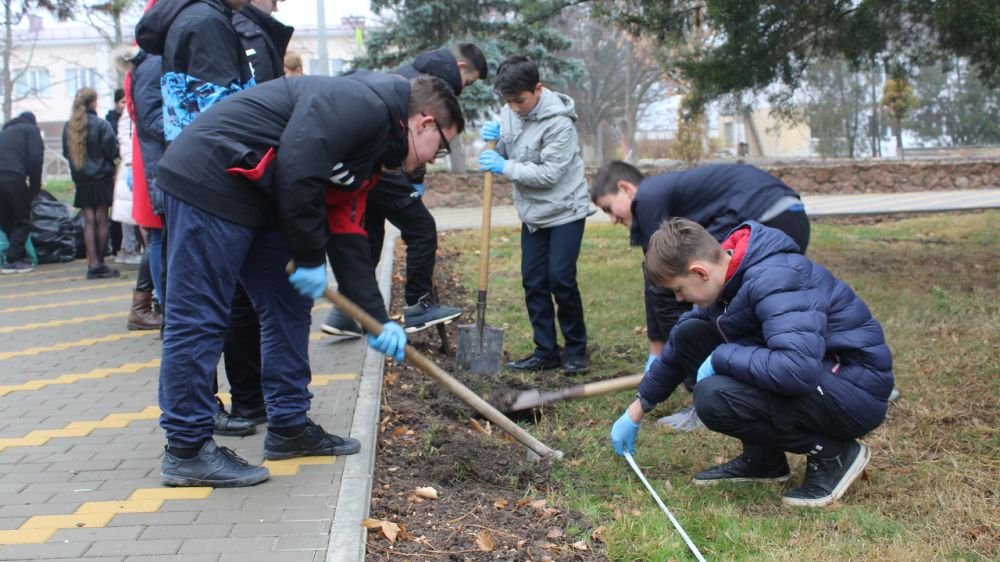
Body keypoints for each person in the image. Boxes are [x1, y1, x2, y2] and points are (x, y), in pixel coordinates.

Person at [152, 71, 463, 487]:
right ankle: (187, 448)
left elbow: (348, 233)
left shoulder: (372, 151)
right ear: (424, 122)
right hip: (212, 179)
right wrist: (310, 255)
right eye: (440, 147)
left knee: (288, 307)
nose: (431, 158)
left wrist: (376, 318)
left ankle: (288, 426)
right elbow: (299, 166)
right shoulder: (361, 103)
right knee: (200, 316)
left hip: (257, 198)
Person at [610, 217, 893, 508]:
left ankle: (833, 452)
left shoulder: (775, 279)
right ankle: (764, 460)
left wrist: (720, 358)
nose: (680, 298)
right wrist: (637, 408)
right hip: (824, 377)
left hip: (853, 391)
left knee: (713, 396)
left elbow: (797, 369)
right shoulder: (731, 278)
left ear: (700, 272)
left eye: (679, 289)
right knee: (690, 333)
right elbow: (683, 341)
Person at [591, 161, 810, 428]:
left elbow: (660, 285)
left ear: (625, 189)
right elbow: (656, 279)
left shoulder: (647, 198)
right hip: (789, 211)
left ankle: (710, 395)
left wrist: (676, 352)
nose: (612, 219)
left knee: (695, 298)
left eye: (608, 208)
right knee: (730, 304)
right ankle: (738, 385)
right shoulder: (661, 192)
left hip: (768, 213)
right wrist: (656, 349)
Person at [136, 0, 260, 436]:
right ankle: (191, 438)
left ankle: (196, 427)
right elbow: (226, 116)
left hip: (200, 180)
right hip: (210, 184)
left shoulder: (203, 20)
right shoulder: (205, 22)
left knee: (199, 311)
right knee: (199, 315)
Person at [322, 42, 488, 337]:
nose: (464, 89)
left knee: (370, 237)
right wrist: (413, 180)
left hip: (375, 164)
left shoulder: (412, 70)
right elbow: (416, 142)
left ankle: (345, 313)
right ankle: (418, 306)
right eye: (469, 81)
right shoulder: (437, 88)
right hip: (384, 165)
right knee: (422, 227)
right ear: (461, 68)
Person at [478, 55, 590, 374]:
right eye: (508, 101)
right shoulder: (507, 112)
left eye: (519, 100)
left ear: (538, 89)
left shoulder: (559, 123)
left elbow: (550, 174)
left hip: (565, 209)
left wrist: (505, 167)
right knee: (533, 280)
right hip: (533, 215)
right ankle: (546, 351)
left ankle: (577, 350)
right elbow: (504, 153)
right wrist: (493, 147)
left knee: (561, 279)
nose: (513, 107)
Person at [63, 87, 120, 279]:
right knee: (102, 220)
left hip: (82, 180)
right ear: (93, 102)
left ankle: (92, 263)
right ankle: (101, 264)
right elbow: (111, 151)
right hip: (102, 177)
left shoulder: (69, 126)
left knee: (88, 220)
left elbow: (66, 153)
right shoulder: (101, 124)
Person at [0, 112, 44, 274]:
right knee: (23, 219)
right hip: (14, 176)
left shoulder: (4, 132)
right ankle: (11, 259)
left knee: (7, 219)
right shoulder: (31, 131)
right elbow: (35, 160)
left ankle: (16, 257)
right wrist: (34, 190)